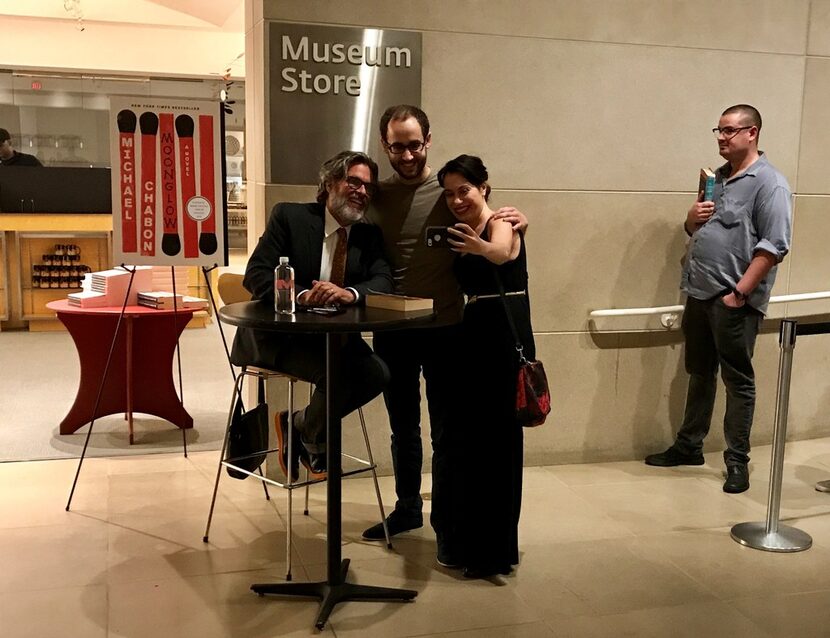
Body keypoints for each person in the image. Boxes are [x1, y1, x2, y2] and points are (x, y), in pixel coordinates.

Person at [360, 105, 527, 567]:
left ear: (428, 140)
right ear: (385, 146)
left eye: (415, 144)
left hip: (449, 329)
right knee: (402, 426)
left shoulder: (451, 188)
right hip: (393, 326)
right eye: (398, 146)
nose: (408, 154)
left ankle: (446, 521)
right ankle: (408, 507)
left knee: (448, 430)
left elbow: (490, 219)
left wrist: (514, 222)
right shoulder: (378, 194)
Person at [645, 104, 792, 494]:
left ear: (752, 133)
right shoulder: (717, 178)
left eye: (729, 131)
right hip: (699, 292)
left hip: (734, 299)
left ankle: (736, 462)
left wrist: (740, 293)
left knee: (738, 381)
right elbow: (696, 228)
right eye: (719, 131)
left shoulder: (770, 183)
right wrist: (691, 217)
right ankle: (689, 445)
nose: (722, 139)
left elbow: (774, 245)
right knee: (699, 372)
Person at [231, 150, 393, 480]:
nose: (363, 192)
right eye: (354, 182)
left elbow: (383, 280)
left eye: (368, 188)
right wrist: (302, 294)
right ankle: (314, 439)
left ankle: (301, 425)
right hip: (279, 337)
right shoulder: (290, 217)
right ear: (330, 183)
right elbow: (257, 274)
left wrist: (350, 293)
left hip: (334, 338)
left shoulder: (368, 235)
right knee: (338, 373)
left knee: (378, 373)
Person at [437, 154, 534, 578]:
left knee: (499, 445)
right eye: (450, 193)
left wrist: (476, 245)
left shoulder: (502, 220)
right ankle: (473, 543)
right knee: (473, 445)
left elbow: (500, 253)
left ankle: (494, 551)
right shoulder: (466, 226)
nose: (458, 199)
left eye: (465, 190)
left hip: (501, 336)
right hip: (473, 334)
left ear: (484, 188)